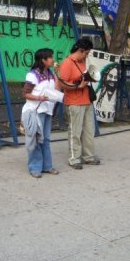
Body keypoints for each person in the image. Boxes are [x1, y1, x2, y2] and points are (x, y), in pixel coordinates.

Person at [58, 38, 100, 169]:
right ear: (81, 50)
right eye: (86, 53)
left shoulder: (82, 62)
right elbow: (62, 83)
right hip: (74, 102)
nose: (87, 56)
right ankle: (74, 158)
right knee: (75, 131)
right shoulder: (67, 63)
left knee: (88, 130)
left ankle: (88, 156)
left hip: (86, 100)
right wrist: (78, 86)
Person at [21, 48, 59, 178]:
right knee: (35, 139)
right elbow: (25, 94)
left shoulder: (51, 73)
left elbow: (56, 89)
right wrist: (39, 98)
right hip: (35, 110)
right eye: (50, 57)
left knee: (46, 139)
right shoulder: (32, 75)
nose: (53, 59)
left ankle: (47, 166)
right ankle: (35, 168)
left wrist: (57, 75)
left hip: (47, 110)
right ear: (43, 60)